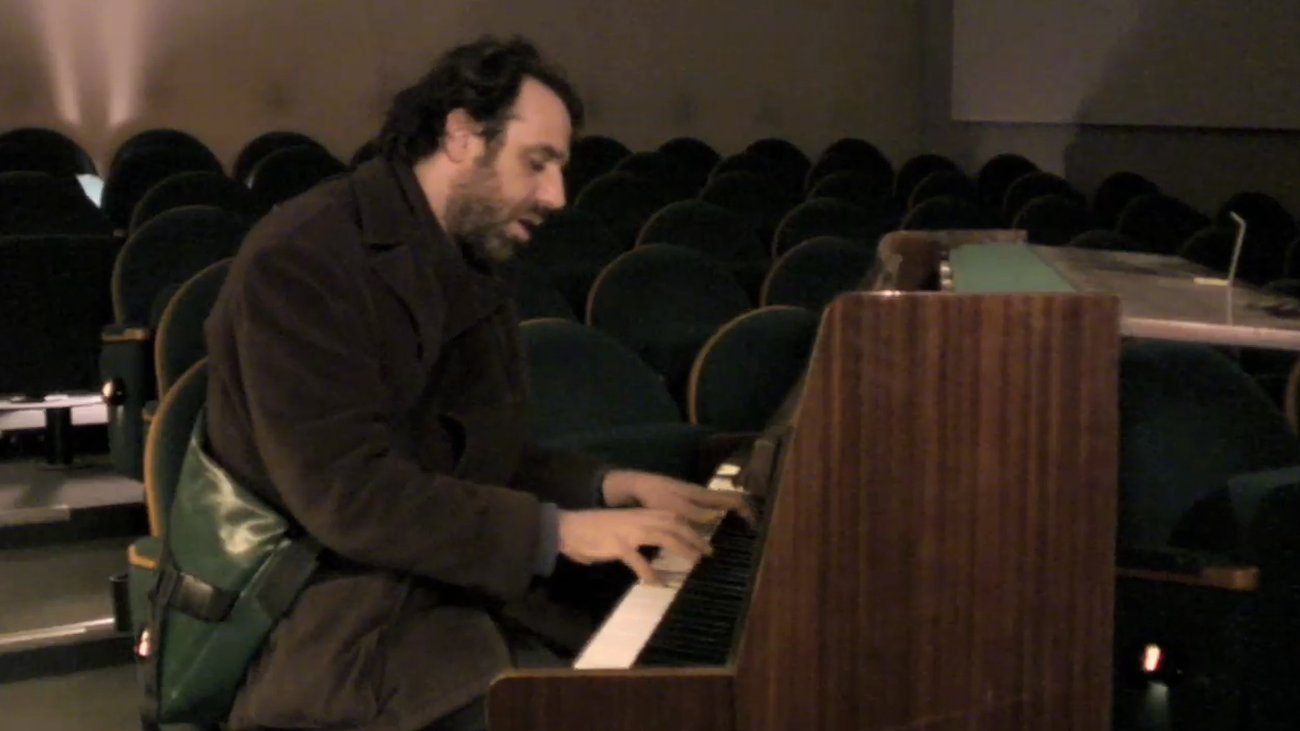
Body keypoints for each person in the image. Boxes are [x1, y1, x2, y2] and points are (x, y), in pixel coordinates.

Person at [202, 35, 750, 731]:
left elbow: (483, 455)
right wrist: (556, 530)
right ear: (461, 135)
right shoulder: (301, 258)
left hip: (437, 587)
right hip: (328, 617)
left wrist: (608, 486)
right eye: (538, 163)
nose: (557, 196)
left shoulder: (464, 258)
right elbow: (349, 495)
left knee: (680, 671)